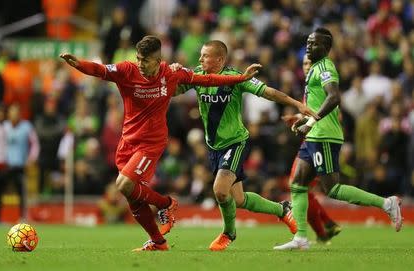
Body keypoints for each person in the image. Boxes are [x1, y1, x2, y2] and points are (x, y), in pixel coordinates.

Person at [60, 35, 262, 251]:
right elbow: (100, 70)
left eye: (145, 60)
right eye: (138, 58)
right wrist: (79, 64)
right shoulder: (127, 70)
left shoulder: (171, 73)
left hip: (151, 142)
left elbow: (209, 80)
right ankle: (158, 242)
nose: (140, 64)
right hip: (128, 141)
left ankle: (167, 204)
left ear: (158, 60)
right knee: (132, 195)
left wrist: (240, 79)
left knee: (124, 184)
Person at [173, 40, 319, 251]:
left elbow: (268, 92)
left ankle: (228, 233)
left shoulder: (236, 78)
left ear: (220, 59)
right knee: (239, 199)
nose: (200, 59)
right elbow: (175, 91)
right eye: (201, 55)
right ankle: (282, 209)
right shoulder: (198, 75)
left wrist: (297, 104)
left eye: (205, 56)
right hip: (214, 146)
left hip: (235, 142)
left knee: (220, 191)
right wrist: (171, 73)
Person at [274, 28, 403, 251]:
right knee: (298, 184)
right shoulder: (314, 67)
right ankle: (301, 238)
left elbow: (334, 97)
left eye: (314, 43)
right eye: (307, 42)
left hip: (324, 135)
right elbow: (318, 103)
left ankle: (387, 203)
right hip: (315, 134)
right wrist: (301, 118)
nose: (308, 46)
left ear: (326, 47)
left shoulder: (325, 67)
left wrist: (310, 123)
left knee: (332, 189)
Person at [282, 54, 341, 244]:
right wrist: (299, 117)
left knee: (302, 186)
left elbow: (329, 108)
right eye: (304, 63)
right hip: (310, 140)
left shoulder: (323, 79)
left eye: (310, 62)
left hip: (320, 140)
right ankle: (325, 227)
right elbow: (314, 111)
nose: (307, 66)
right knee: (300, 187)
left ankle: (323, 228)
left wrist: (306, 120)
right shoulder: (309, 86)